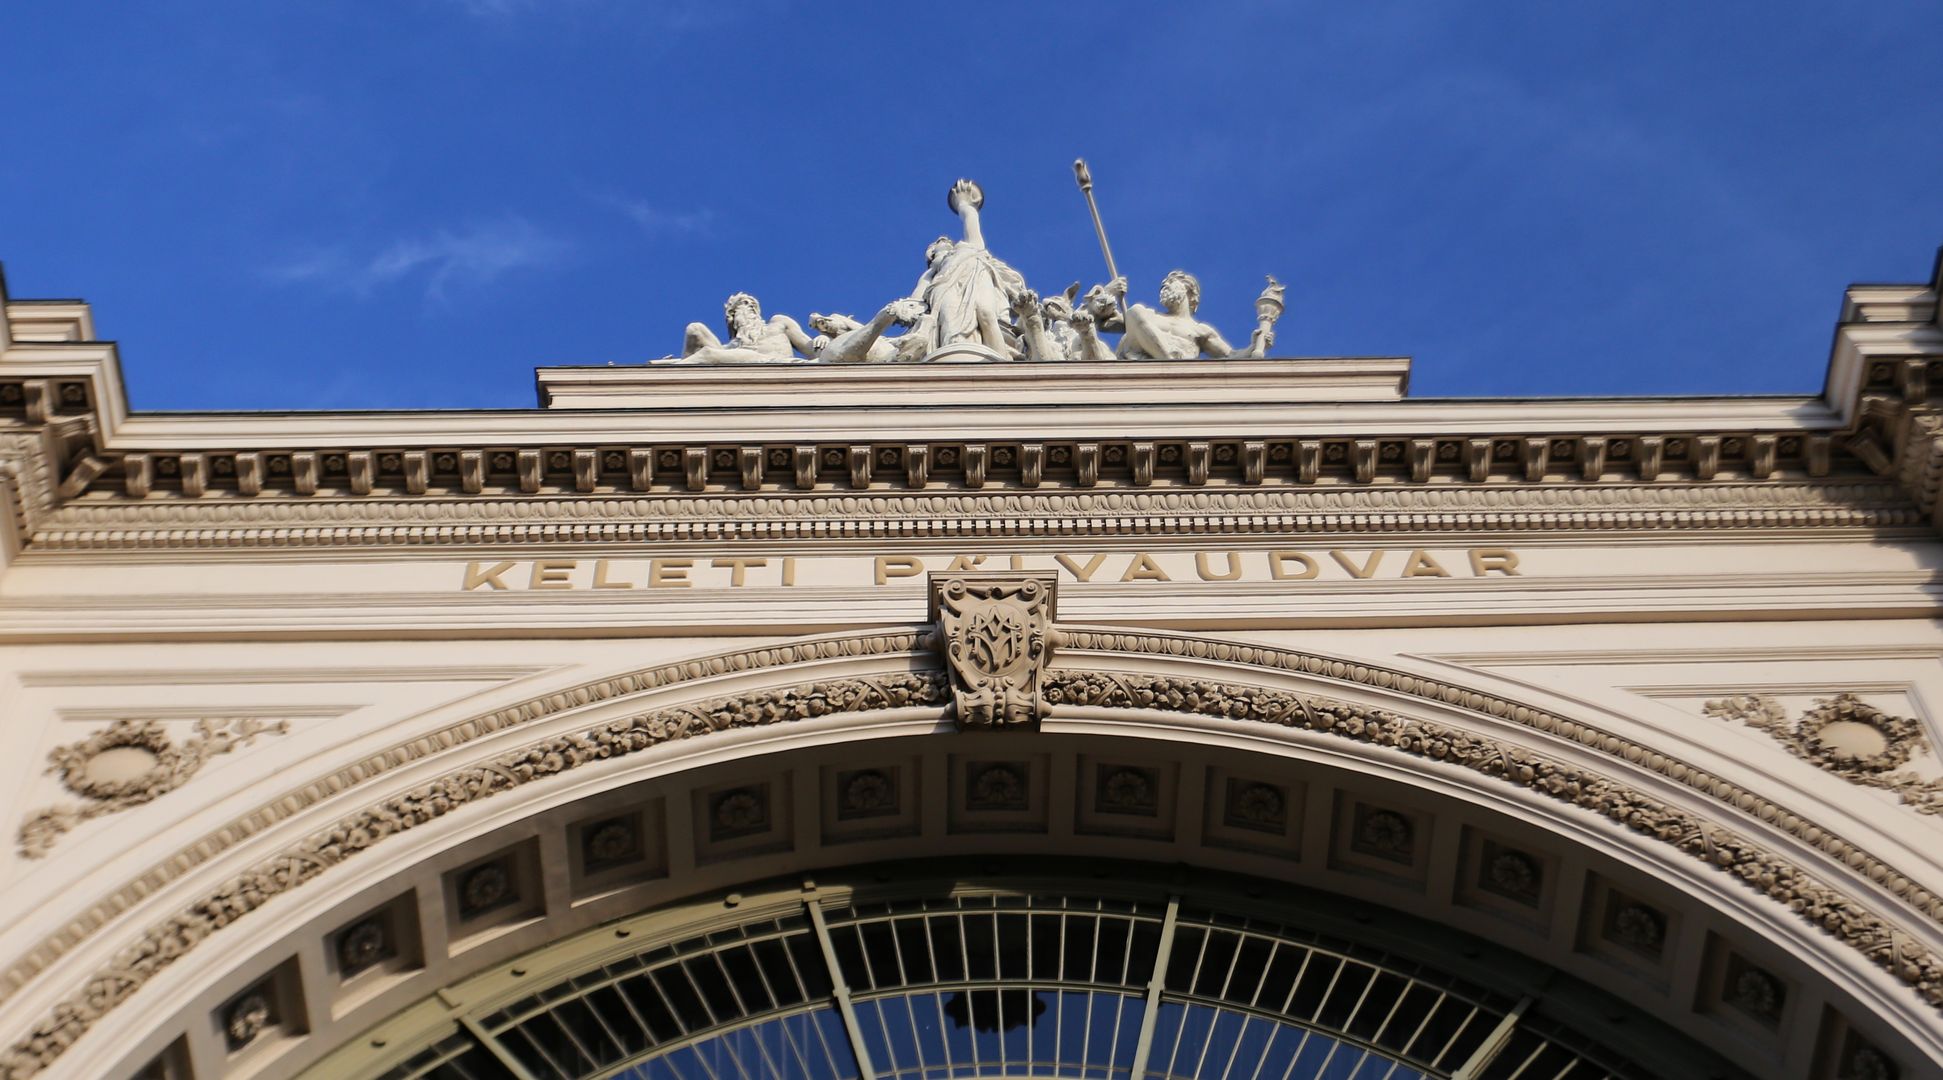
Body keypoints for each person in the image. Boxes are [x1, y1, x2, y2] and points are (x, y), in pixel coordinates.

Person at [908, 180, 1030, 359]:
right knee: (950, 328)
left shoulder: (967, 248)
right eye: (938, 245)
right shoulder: (933, 272)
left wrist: (964, 204)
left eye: (946, 242)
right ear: (931, 254)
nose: (944, 243)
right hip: (944, 288)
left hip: (976, 274)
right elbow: (916, 298)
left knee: (986, 314)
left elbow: (972, 226)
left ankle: (1003, 365)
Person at [1111, 270, 1272, 360]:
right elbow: (1107, 321)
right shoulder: (1150, 316)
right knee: (1135, 310)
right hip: (1143, 362)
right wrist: (1110, 292)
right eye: (1162, 286)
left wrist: (1254, 346)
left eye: (1170, 283)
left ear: (1189, 290)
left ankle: (1170, 365)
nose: (1164, 287)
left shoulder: (1199, 330)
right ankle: (1169, 361)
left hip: (1181, 373)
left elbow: (1230, 355)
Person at [673, 292, 817, 363]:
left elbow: (811, 349)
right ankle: (678, 371)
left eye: (750, 305)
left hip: (775, 363)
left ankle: (676, 372)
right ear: (732, 318)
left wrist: (823, 338)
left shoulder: (778, 323)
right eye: (739, 308)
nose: (747, 308)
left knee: (707, 353)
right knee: (694, 329)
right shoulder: (732, 346)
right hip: (744, 362)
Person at [809, 299, 926, 363]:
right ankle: (887, 315)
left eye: (823, 322)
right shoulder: (828, 339)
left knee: (920, 336)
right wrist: (824, 337)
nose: (823, 326)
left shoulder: (843, 322)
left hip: (881, 351)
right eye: (819, 325)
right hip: (848, 353)